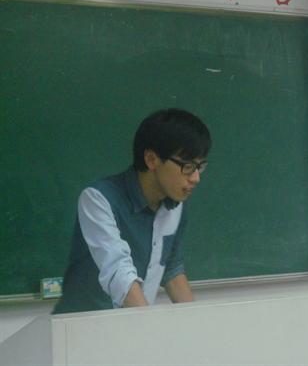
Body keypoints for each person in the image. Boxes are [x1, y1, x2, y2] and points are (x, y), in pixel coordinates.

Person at [53, 108, 211, 314]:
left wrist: (198, 323)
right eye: (188, 166)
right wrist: (147, 328)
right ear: (152, 159)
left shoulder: (175, 203)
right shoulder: (99, 199)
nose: (196, 178)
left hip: (133, 323)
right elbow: (119, 274)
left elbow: (171, 268)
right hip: (80, 327)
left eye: (200, 167)